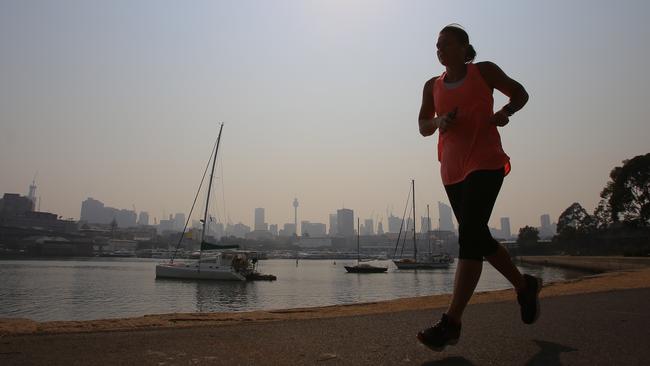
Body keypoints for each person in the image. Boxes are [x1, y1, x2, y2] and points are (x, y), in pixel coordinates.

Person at [416, 24, 540, 352]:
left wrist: (504, 112)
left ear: (463, 47)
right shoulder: (432, 86)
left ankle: (451, 322)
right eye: (436, 46)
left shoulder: (484, 72)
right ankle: (524, 286)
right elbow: (422, 126)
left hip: (486, 162)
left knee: (470, 235)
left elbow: (521, 93)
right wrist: (439, 122)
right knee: (478, 237)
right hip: (452, 171)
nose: (439, 50)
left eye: (444, 44)